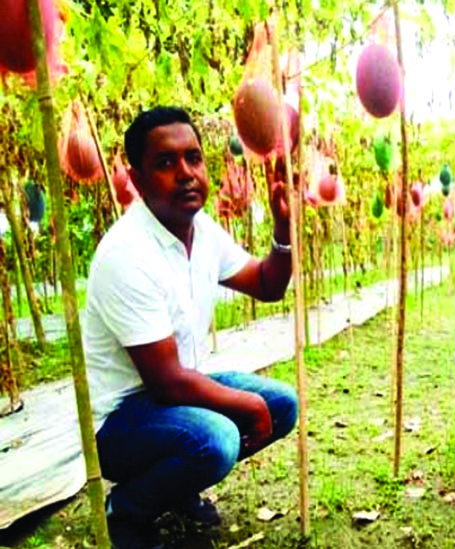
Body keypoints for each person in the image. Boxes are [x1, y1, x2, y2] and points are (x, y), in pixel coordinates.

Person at [83, 107, 299, 549]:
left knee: (281, 404)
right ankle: (126, 510)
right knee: (217, 437)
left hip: (175, 396)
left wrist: (282, 228)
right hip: (121, 423)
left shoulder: (201, 230)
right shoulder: (126, 253)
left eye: (193, 158)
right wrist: (245, 405)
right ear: (138, 180)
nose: (185, 173)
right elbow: (165, 383)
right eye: (165, 163)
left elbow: (267, 284)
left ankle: (176, 488)